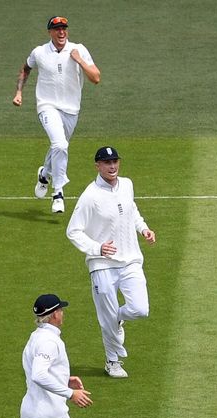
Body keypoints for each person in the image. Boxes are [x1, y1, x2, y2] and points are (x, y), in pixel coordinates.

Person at [65, 146, 156, 379]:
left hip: (131, 260)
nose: (112, 166)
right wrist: (97, 248)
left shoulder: (127, 184)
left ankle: (118, 317)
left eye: (115, 161)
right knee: (107, 317)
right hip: (102, 264)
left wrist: (143, 228)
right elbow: (73, 231)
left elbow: (131, 209)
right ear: (98, 166)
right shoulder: (90, 196)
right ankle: (112, 361)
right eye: (107, 163)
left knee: (139, 310)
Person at [13, 16, 101, 214]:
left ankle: (44, 174)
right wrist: (19, 92)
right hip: (47, 106)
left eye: (64, 28)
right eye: (57, 29)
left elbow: (96, 78)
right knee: (60, 145)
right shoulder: (39, 52)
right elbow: (26, 69)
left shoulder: (79, 49)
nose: (61, 32)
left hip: (71, 109)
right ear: (50, 32)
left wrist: (79, 60)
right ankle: (58, 194)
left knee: (58, 147)